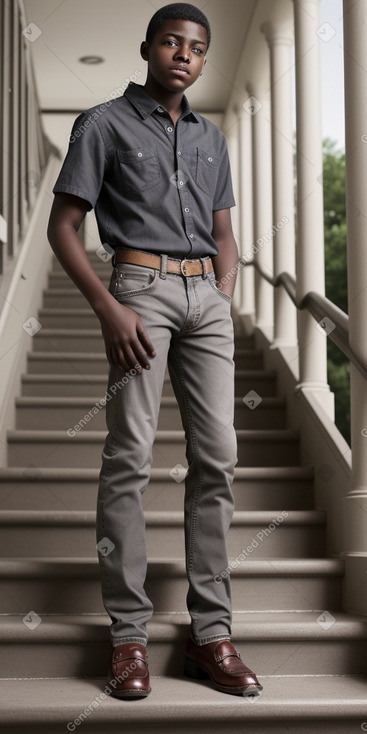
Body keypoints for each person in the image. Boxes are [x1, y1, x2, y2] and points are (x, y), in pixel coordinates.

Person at [47, 2, 262, 700]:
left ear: (202, 59)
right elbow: (64, 226)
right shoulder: (102, 124)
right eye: (171, 42)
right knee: (129, 458)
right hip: (137, 289)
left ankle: (211, 634)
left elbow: (224, 230)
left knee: (218, 460)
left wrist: (219, 293)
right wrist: (110, 305)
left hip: (206, 302)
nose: (183, 54)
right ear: (147, 48)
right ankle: (128, 638)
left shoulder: (211, 137)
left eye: (196, 48)